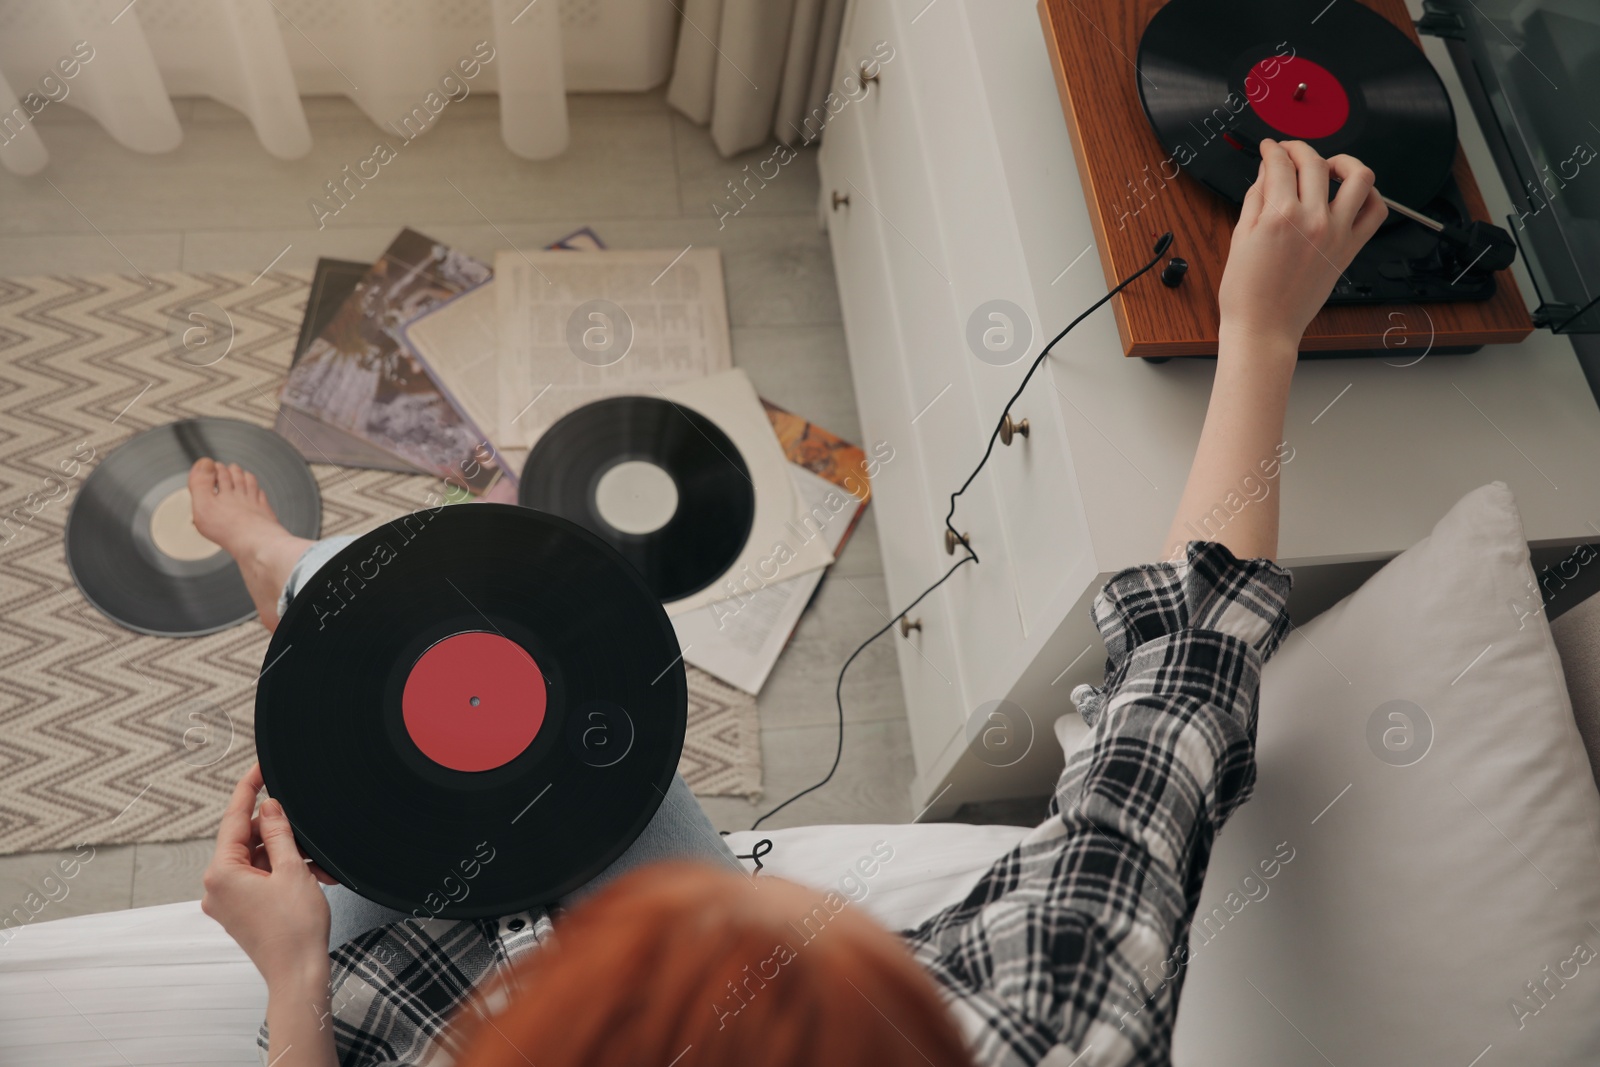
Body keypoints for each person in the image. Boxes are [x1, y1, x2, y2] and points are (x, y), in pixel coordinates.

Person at [198, 138, 1387, 1067]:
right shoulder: (1051, 1025)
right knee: (428, 627)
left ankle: (287, 575)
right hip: (682, 944)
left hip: (396, 1006)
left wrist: (293, 977)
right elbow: (1178, 686)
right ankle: (290, 565)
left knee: (374, 648)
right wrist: (1259, 335)